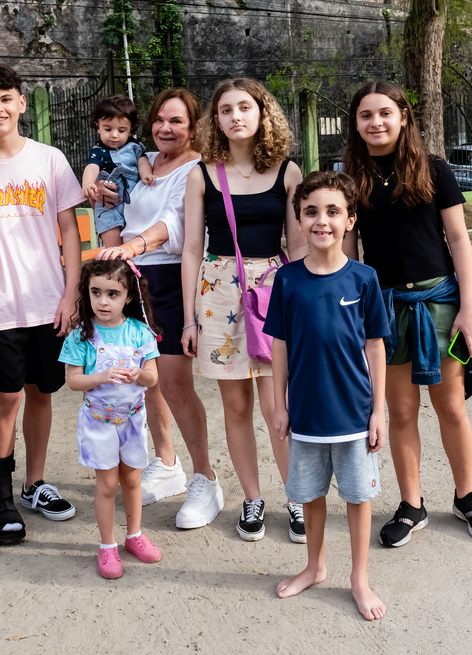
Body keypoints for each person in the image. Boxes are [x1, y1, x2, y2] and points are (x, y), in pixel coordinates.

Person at [341, 81, 472, 547]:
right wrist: (351, 314)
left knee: (450, 405)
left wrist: (469, 307)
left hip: (440, 303)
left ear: (403, 116)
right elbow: (349, 254)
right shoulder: (350, 179)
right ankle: (412, 505)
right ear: (356, 123)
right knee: (402, 410)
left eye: (385, 113)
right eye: (366, 115)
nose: (376, 122)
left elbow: (458, 240)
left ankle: (467, 497)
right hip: (385, 307)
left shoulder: (434, 170)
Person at [181, 78, 307, 543]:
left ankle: (297, 498)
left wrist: (304, 305)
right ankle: (252, 499)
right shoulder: (202, 174)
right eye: (226, 110)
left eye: (245, 107)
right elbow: (191, 249)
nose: (236, 116)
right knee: (236, 406)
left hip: (273, 289)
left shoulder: (287, 172)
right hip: (217, 293)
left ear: (262, 112)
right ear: (215, 120)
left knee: (278, 406)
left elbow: (298, 245)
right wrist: (190, 319)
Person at [94, 88, 223, 530]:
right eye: (159, 120)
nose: (165, 129)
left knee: (173, 383)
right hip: (129, 278)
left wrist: (132, 245)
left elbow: (173, 223)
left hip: (168, 277)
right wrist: (105, 192)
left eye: (177, 121)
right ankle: (167, 464)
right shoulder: (141, 160)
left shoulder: (197, 169)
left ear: (194, 127)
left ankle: (206, 478)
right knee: (145, 379)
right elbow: (114, 197)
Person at [266, 170, 389, 621]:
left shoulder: (364, 279)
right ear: (298, 220)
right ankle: (314, 566)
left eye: (333, 211)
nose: (322, 220)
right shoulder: (287, 280)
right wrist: (280, 405)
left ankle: (359, 578)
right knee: (310, 495)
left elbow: (375, 346)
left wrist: (378, 411)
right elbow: (279, 345)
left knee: (357, 498)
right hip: (306, 416)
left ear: (350, 220)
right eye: (311, 211)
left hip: (354, 415)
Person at [0, 64, 82, 545]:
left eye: (5, 99)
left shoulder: (49, 159)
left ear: (21, 103)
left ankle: (34, 484)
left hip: (48, 302)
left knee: (42, 393)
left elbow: (70, 229)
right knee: (6, 399)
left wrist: (71, 293)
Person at [60, 259, 162, 579]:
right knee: (106, 484)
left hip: (132, 422)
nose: (103, 301)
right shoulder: (81, 335)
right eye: (96, 292)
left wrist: (138, 374)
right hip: (98, 423)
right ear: (87, 292)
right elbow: (73, 381)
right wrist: (101, 376)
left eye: (113, 294)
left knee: (132, 479)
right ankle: (107, 545)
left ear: (129, 296)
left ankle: (134, 535)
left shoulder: (140, 333)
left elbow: (152, 378)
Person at [81, 95, 154, 249]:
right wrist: (87, 183)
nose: (114, 135)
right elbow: (92, 167)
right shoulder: (99, 150)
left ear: (131, 129)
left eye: (121, 130)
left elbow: (142, 161)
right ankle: (115, 261)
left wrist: (146, 174)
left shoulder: (134, 146)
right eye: (108, 129)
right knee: (114, 248)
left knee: (134, 244)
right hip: (108, 206)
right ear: (98, 126)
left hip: (133, 202)